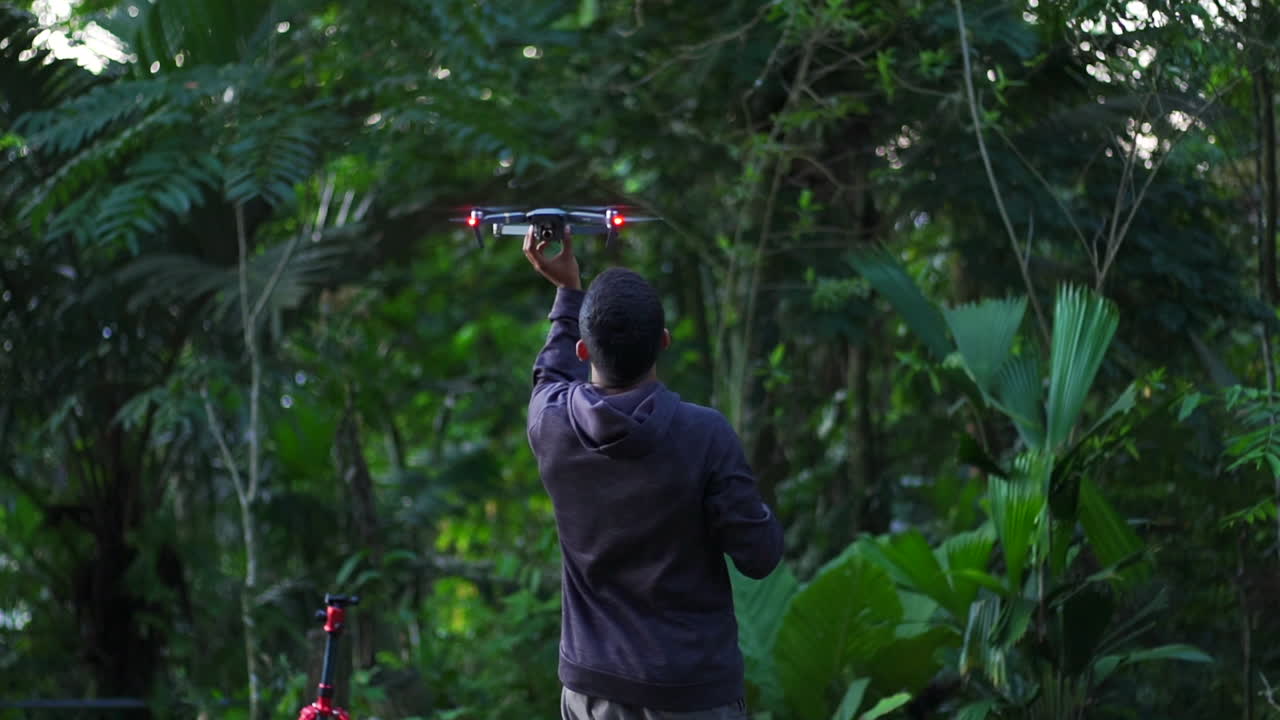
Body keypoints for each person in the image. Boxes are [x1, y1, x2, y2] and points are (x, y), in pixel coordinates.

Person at [522, 226, 784, 720]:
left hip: (592, 693)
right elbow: (759, 556)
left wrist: (567, 291)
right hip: (695, 694)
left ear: (585, 351)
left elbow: (549, 374)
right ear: (663, 342)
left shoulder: (551, 425)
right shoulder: (706, 435)